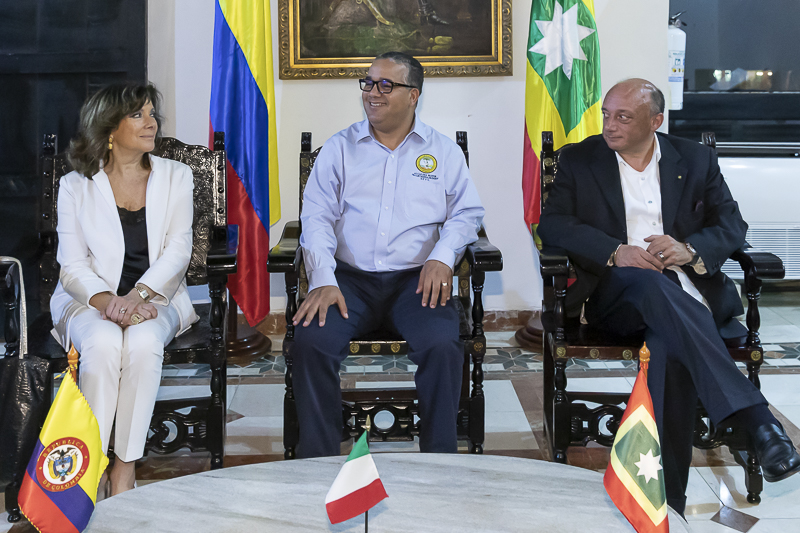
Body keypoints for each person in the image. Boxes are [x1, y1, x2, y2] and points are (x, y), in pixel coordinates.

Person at [538, 78, 800, 515]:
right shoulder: (580, 159)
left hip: (691, 293)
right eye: (607, 113)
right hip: (618, 293)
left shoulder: (695, 159)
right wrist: (616, 251)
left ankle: (667, 505)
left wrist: (691, 250)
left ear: (655, 121)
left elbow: (733, 226)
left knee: (668, 350)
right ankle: (758, 422)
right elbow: (554, 224)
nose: (610, 124)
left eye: (623, 116)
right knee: (650, 285)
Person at [293, 51, 484, 458]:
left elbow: (468, 213)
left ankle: (439, 460)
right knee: (311, 342)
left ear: (413, 95)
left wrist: (443, 256)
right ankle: (318, 460)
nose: (372, 93)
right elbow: (316, 218)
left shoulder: (443, 152)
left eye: (385, 85)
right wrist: (323, 278)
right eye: (368, 83)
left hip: (416, 283)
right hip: (348, 282)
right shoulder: (340, 149)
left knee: (441, 344)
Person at [50, 83, 197, 496]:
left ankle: (124, 468)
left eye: (152, 113)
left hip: (156, 300)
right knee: (103, 344)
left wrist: (139, 297)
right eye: (138, 114)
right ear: (109, 129)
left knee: (144, 343)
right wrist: (109, 302)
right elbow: (73, 265)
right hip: (88, 302)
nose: (151, 122)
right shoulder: (76, 185)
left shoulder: (176, 176)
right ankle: (90, 464)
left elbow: (178, 250)